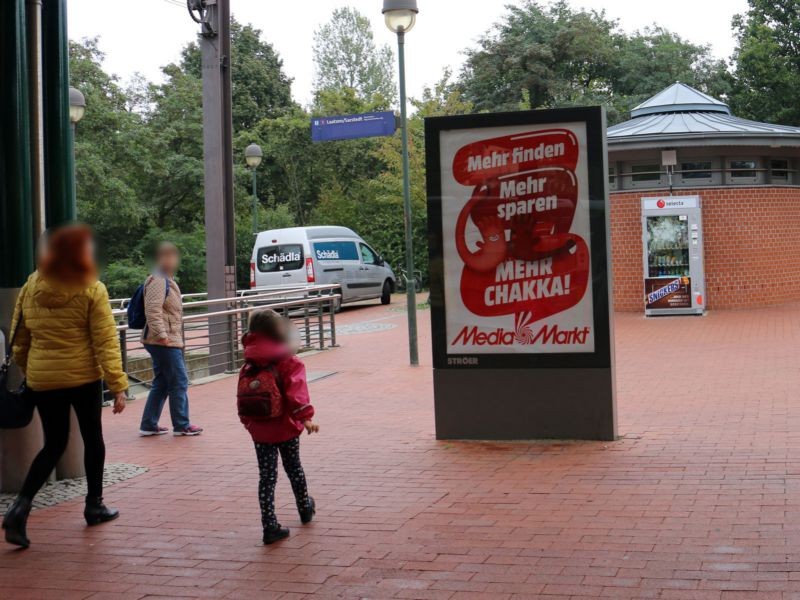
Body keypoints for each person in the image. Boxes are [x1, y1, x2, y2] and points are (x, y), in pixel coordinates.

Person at [2, 225, 128, 549]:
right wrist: (117, 385)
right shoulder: (90, 287)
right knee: (92, 438)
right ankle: (94, 504)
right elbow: (105, 341)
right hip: (83, 378)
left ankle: (21, 506)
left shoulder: (32, 285)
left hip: (44, 380)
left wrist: (34, 372)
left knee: (53, 444)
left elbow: (20, 339)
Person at [239, 309, 318, 544]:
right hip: (285, 427)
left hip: (260, 430)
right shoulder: (287, 360)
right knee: (294, 468)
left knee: (267, 477)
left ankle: (270, 525)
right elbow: (297, 392)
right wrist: (306, 418)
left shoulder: (249, 359)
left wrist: (249, 424)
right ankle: (304, 507)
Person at [138, 242, 202, 437]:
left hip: (165, 339)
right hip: (163, 341)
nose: (172, 260)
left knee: (163, 382)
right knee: (179, 381)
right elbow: (152, 311)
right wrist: (163, 335)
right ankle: (182, 424)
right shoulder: (158, 280)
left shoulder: (167, 279)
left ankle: (148, 424)